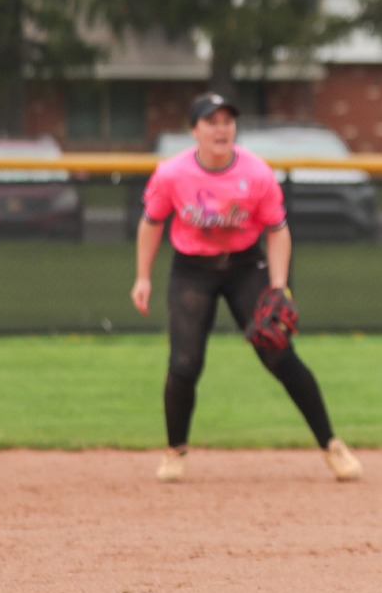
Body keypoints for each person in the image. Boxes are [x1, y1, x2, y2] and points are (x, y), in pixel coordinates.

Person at [130, 92, 362, 484]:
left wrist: (277, 287)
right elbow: (152, 222)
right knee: (184, 364)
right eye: (211, 121)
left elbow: (278, 230)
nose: (221, 129)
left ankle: (332, 445)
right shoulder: (172, 173)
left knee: (279, 357)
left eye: (227, 121)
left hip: (243, 265)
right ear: (194, 131)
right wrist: (143, 276)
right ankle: (174, 452)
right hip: (192, 269)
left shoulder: (256, 173)